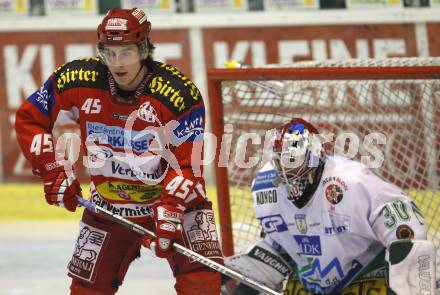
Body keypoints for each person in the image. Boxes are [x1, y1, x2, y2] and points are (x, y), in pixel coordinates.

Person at [15, 7, 223, 295]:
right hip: (108, 207)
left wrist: (173, 209)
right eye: (109, 53)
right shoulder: (77, 80)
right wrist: (51, 169)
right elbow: (30, 118)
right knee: (86, 290)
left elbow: (189, 164)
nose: (117, 63)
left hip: (177, 204)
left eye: (125, 52)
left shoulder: (177, 93)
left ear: (144, 49)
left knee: (202, 283)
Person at [222, 118, 436, 295]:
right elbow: (279, 244)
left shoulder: (352, 183)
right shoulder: (265, 186)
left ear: (315, 155)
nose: (288, 174)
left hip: (366, 278)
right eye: (283, 162)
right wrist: (246, 281)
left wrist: (407, 288)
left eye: (295, 163)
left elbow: (408, 236)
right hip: (310, 282)